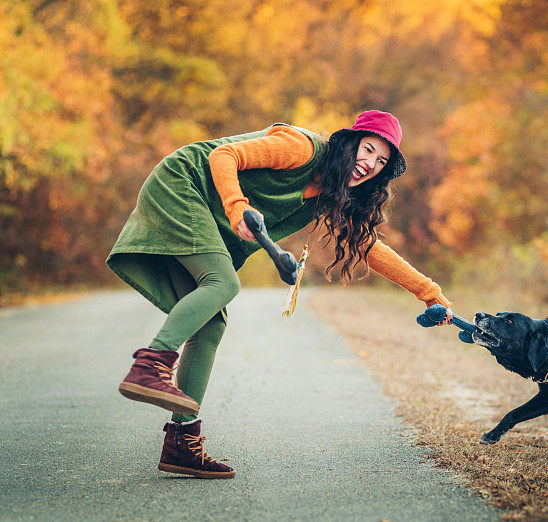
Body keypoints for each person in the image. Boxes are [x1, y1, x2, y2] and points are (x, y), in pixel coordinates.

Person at [107, 110, 453, 479]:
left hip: (202, 207)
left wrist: (429, 292)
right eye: (367, 150)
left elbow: (367, 245)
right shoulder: (301, 148)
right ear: (349, 143)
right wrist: (236, 205)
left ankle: (181, 442)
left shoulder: (332, 191)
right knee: (222, 283)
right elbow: (223, 156)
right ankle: (150, 365)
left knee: (210, 326)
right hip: (182, 183)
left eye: (381, 161)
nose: (370, 164)